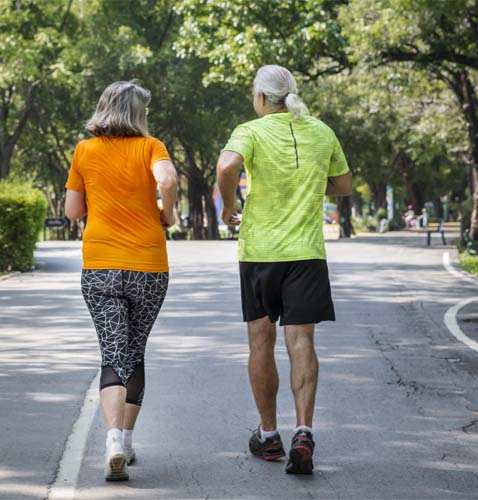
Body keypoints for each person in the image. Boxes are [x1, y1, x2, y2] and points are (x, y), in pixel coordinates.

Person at [216, 65, 352, 475]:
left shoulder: (250, 131)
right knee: (302, 342)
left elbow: (226, 168)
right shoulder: (321, 131)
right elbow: (343, 186)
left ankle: (270, 435)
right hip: (307, 254)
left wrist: (228, 207)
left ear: (260, 97)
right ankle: (304, 430)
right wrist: (309, 184)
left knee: (261, 341)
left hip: (260, 253)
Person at [64, 80, 178, 482]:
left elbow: (73, 211)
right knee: (135, 350)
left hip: (100, 268)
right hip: (148, 266)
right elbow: (165, 180)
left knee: (114, 353)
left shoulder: (84, 150)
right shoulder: (152, 147)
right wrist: (169, 212)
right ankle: (126, 441)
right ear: (138, 113)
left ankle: (112, 440)